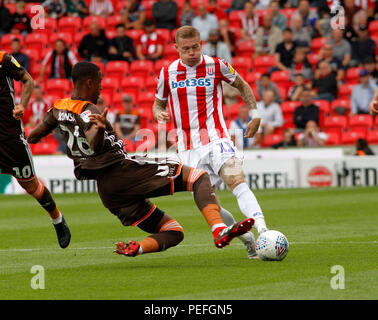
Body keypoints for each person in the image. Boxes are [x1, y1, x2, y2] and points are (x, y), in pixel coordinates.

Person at [27, 61, 254, 257]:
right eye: (99, 81)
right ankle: (218, 229)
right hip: (122, 171)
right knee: (198, 177)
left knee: (173, 231)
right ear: (88, 82)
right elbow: (94, 144)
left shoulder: (57, 108)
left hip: (108, 193)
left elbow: (35, 136)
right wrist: (100, 128)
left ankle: (138, 248)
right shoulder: (89, 109)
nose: (102, 86)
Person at [153, 26, 269, 259]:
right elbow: (158, 103)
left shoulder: (216, 65)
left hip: (217, 138)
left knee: (237, 179)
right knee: (209, 202)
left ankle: (264, 231)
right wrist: (158, 113)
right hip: (187, 148)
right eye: (186, 49)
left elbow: (242, 85)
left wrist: (256, 115)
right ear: (176, 48)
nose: (192, 53)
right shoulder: (167, 73)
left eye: (195, 47)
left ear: (201, 44)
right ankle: (248, 239)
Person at [0, 51, 70, 248]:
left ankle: (58, 220)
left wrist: (22, 105)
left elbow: (28, 81)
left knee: (31, 186)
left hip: (9, 137)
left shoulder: (3, 59)